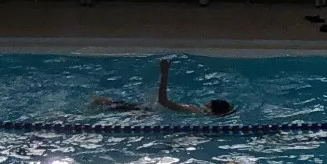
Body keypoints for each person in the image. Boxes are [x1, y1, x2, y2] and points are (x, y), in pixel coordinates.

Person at [89, 59, 234, 116]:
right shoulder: (197, 113)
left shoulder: (193, 110)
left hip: (143, 112)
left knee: (98, 101)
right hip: (146, 111)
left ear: (211, 106)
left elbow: (163, 101)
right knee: (102, 101)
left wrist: (164, 73)